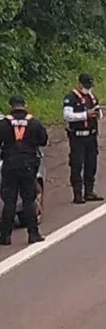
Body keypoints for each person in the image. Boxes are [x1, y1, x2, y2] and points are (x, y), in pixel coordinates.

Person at [0, 95, 48, 245]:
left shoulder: (4, 124)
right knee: (28, 200)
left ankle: (5, 236)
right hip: (28, 165)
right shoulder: (34, 123)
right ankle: (33, 234)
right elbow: (43, 141)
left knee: (10, 201)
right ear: (25, 105)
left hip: (9, 164)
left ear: (11, 106)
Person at [63, 73, 104, 204]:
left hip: (91, 136)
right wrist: (85, 115)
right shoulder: (70, 98)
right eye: (86, 86)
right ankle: (77, 194)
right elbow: (67, 116)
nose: (88, 88)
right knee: (77, 164)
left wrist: (97, 113)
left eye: (89, 86)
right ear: (80, 84)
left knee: (91, 164)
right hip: (78, 137)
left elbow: (99, 113)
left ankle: (89, 192)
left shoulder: (92, 97)